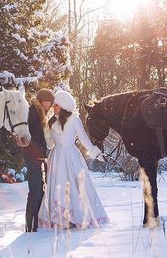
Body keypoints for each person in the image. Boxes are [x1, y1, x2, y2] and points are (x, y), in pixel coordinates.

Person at [38, 90, 109, 230]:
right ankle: (61, 219)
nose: (54, 107)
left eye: (56, 105)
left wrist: (96, 153)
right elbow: (50, 145)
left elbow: (83, 139)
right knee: (58, 186)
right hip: (56, 158)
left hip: (71, 157)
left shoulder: (74, 120)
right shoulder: (51, 121)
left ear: (64, 106)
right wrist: (46, 133)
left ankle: (76, 217)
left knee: (75, 187)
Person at [21, 88, 54, 232]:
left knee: (39, 190)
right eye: (49, 102)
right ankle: (30, 226)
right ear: (43, 101)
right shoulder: (32, 113)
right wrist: (38, 153)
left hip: (38, 157)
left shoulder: (40, 114)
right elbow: (29, 137)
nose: (50, 105)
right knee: (35, 190)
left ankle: (35, 224)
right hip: (32, 157)